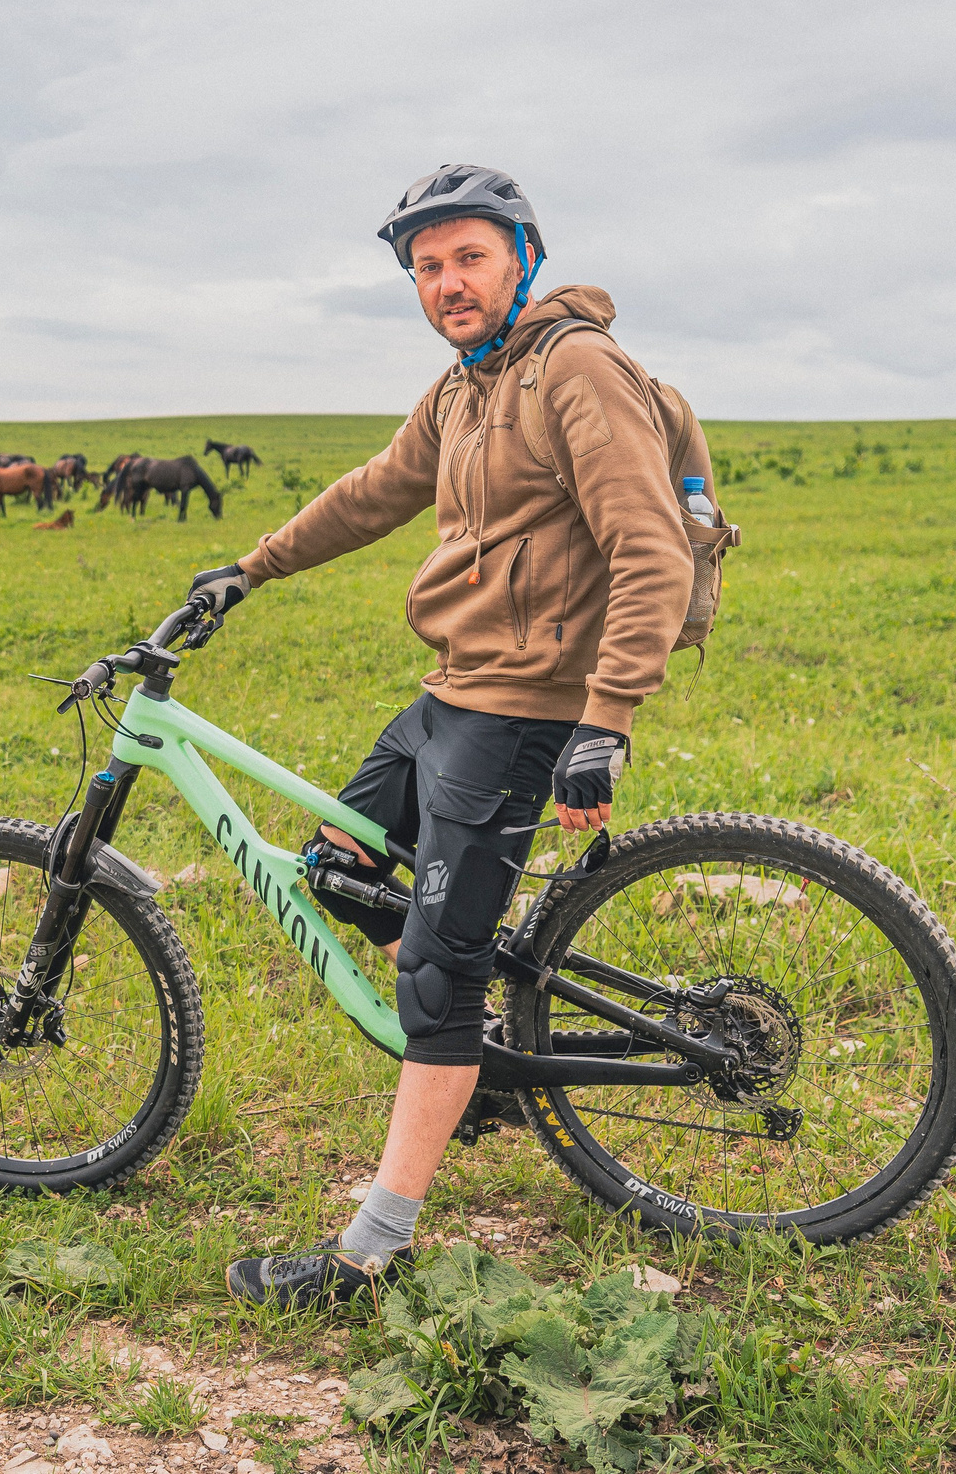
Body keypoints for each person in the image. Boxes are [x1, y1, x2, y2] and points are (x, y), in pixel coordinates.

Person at [185, 165, 715, 1309]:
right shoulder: (467, 386)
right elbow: (377, 489)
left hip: (526, 708)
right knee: (343, 869)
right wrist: (250, 568)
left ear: (522, 252)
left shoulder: (574, 371)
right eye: (426, 267)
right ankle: (476, 1069)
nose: (445, 283)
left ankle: (370, 1254)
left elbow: (650, 549)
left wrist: (606, 719)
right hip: (453, 689)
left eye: (467, 256)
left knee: (433, 975)